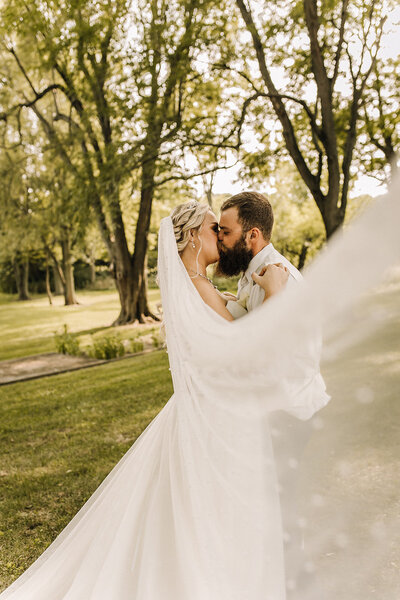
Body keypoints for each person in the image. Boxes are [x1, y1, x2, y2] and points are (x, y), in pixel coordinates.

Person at [0, 199, 329, 600]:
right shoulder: (204, 288)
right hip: (226, 418)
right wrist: (264, 299)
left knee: (263, 515)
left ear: (252, 234)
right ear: (193, 236)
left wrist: (235, 302)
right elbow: (245, 352)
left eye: (224, 230)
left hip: (277, 411)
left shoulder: (210, 287)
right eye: (215, 230)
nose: (221, 239)